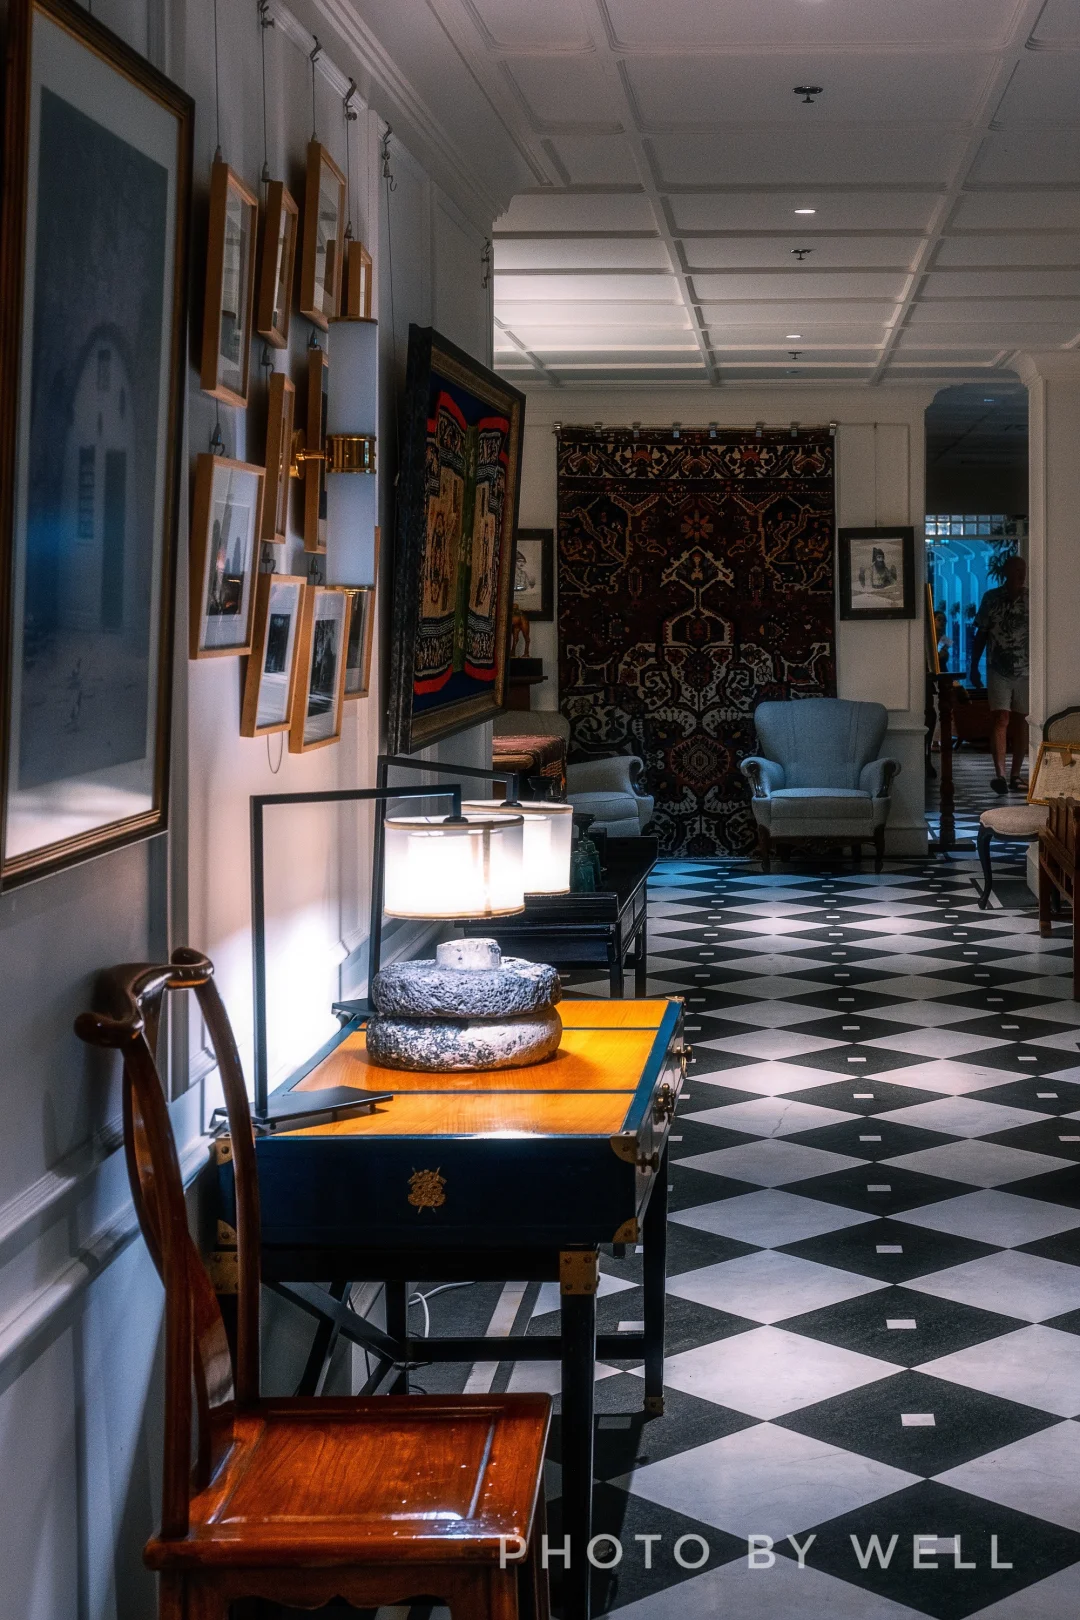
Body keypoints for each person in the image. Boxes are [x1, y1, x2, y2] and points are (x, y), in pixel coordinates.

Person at [969, 554, 1029, 794]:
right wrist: (973, 666)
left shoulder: (1031, 599)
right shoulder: (991, 598)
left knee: (1022, 719)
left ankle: (1016, 774)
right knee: (1001, 718)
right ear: (1006, 573)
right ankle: (1000, 775)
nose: (1021, 575)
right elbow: (981, 634)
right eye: (1016, 570)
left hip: (1027, 669)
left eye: (1023, 570)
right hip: (998, 669)